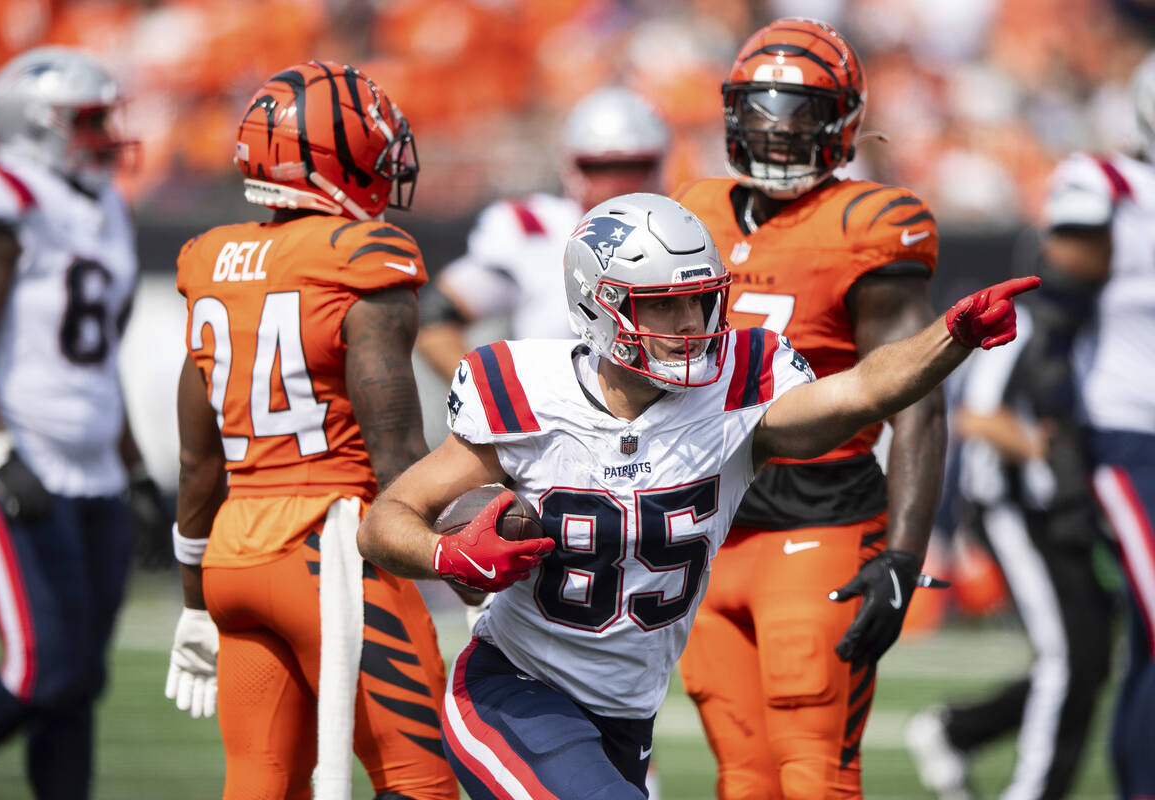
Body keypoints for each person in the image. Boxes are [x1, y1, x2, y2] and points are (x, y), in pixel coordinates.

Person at [355, 190, 1038, 799]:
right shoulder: (528, 390)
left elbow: (862, 389)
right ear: (600, 306)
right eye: (664, 303)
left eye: (699, 297)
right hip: (515, 692)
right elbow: (385, 521)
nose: (689, 322)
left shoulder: (737, 392)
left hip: (627, 716)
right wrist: (449, 556)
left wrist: (951, 338)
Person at [667, 18, 947, 798]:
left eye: (797, 113)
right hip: (707, 524)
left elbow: (918, 403)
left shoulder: (871, 225)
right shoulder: (697, 208)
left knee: (813, 766)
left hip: (820, 517)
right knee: (742, 775)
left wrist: (904, 554)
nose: (775, 133)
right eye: (759, 111)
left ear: (841, 121)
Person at [165, 61, 457, 800]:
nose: (389, 168)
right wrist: (463, 553)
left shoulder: (211, 263)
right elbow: (396, 458)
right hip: (330, 548)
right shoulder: (360, 260)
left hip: (234, 556)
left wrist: (195, 596)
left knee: (261, 782)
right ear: (338, 158)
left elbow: (199, 462)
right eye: (378, 150)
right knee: (419, 780)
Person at [0, 46, 163, 797]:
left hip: (96, 471)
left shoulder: (107, 206)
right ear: (37, 124)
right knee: (43, 668)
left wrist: (136, 472)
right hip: (17, 455)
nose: (107, 131)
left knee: (77, 685)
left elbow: (98, 362)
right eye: (88, 119)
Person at [905, 303, 1114, 800]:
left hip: (1070, 515)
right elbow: (978, 417)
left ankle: (957, 731)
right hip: (1017, 510)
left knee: (1090, 658)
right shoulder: (1029, 324)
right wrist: (1049, 454)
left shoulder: (1103, 323)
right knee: (1068, 658)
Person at [1019, 51, 1155, 800]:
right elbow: (1049, 338)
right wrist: (1066, 455)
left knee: (1148, 638)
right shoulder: (1107, 187)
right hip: (1126, 438)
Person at [415, 85, 670, 379]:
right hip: (558, 417)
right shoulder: (537, 229)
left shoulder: (685, 228)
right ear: (570, 166)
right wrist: (492, 398)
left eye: (633, 166)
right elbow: (436, 319)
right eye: (599, 167)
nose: (615, 182)